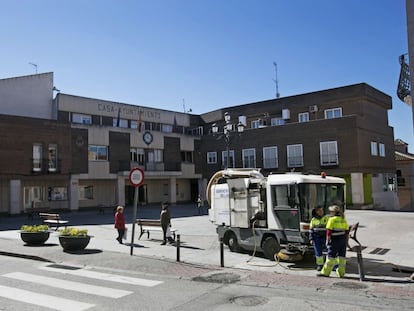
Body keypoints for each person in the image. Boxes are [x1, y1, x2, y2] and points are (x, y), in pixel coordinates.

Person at [318, 205, 349, 277]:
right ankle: (341, 273)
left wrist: (327, 241)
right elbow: (347, 232)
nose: (330, 213)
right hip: (343, 241)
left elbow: (329, 232)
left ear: (333, 212)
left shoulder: (331, 220)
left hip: (334, 241)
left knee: (330, 257)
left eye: (330, 212)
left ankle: (325, 272)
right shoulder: (343, 219)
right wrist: (347, 242)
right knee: (342, 257)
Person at [309, 205, 329, 271]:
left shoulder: (326, 218)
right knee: (318, 252)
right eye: (320, 211)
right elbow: (311, 230)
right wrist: (311, 239)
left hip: (325, 237)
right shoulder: (313, 220)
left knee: (329, 251)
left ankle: (329, 265)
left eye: (322, 210)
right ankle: (320, 265)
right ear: (316, 212)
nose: (321, 212)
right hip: (317, 238)